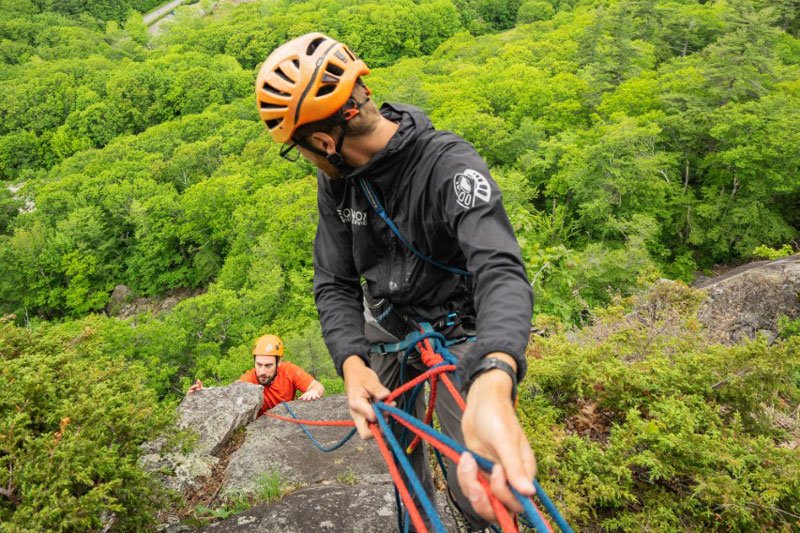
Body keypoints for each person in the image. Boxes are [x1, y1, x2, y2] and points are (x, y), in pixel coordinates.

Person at [255, 33, 536, 531]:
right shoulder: (337, 181)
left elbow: (501, 269)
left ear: (323, 141)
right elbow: (334, 280)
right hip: (387, 332)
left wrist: (494, 375)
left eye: (300, 150)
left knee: (479, 481)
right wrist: (351, 362)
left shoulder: (449, 167)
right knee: (400, 462)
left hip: (460, 333)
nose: (308, 162)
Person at [188, 334, 325, 415]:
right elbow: (229, 395)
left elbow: (317, 386)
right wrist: (203, 394)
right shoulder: (249, 379)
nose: (263, 371)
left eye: (268, 365)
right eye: (259, 365)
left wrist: (312, 392)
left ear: (279, 363)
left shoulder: (288, 371)